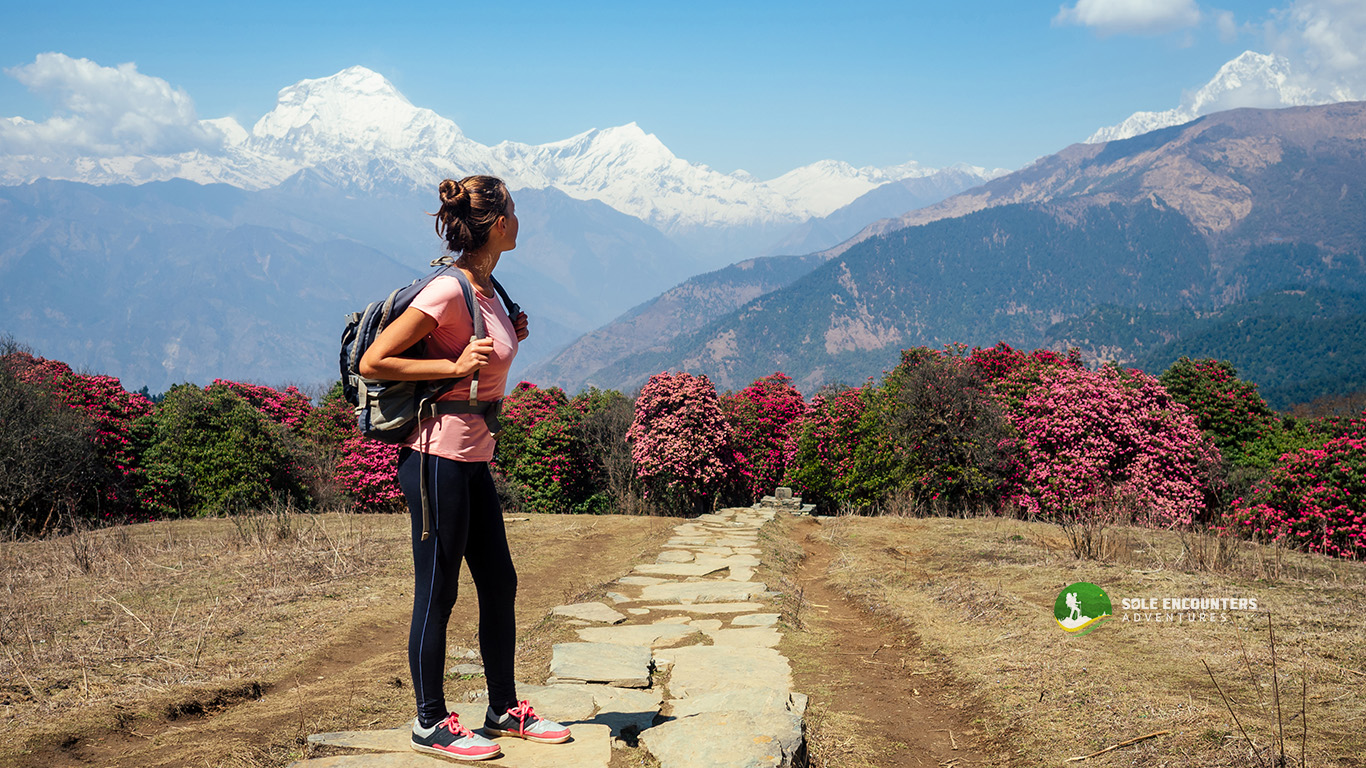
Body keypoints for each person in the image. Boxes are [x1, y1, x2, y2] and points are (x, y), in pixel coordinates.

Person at [359, 176, 570, 761]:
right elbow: (377, 361)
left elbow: (483, 354)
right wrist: (454, 362)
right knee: (438, 590)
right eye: (515, 210)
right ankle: (429, 722)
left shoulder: (488, 285)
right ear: (497, 223)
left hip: (473, 459)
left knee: (499, 582)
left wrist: (505, 334)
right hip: (435, 460)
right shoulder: (449, 289)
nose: (520, 219)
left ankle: (502, 708)